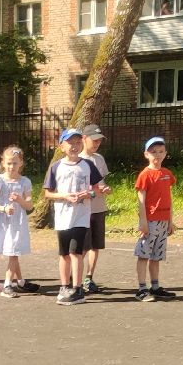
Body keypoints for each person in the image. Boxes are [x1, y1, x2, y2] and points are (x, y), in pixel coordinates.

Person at [45, 127, 94, 305]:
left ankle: (78, 288)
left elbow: (98, 188)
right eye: (70, 143)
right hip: (62, 217)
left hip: (81, 216)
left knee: (76, 252)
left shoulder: (88, 165)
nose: (74, 146)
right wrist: (64, 196)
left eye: (77, 142)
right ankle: (64, 286)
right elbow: (48, 193)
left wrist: (89, 194)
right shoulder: (56, 167)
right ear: (62, 146)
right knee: (64, 254)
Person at [0, 145, 36, 299]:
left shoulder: (25, 182)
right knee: (11, 251)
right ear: (3, 163)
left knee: (13, 251)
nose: (11, 166)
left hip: (17, 222)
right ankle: (20, 281)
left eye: (15, 163)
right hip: (2, 221)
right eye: (8, 163)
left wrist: (20, 199)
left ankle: (8, 284)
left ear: (21, 163)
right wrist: (3, 208)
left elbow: (29, 205)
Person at [134, 135, 177, 301]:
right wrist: (143, 221)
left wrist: (170, 221)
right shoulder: (145, 175)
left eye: (160, 151)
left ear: (165, 153)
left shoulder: (167, 174)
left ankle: (155, 286)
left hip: (163, 220)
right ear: (146, 154)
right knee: (144, 254)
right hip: (150, 221)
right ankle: (142, 288)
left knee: (157, 255)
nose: (157, 155)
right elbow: (141, 200)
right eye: (153, 152)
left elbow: (169, 197)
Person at [79, 125, 111, 294]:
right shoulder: (78, 159)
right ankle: (73, 277)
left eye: (99, 140)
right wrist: (93, 191)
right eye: (94, 139)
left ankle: (88, 278)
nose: (97, 143)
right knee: (83, 246)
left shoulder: (99, 158)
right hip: (83, 209)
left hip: (99, 207)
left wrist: (105, 188)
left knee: (95, 245)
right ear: (84, 138)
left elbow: (102, 182)